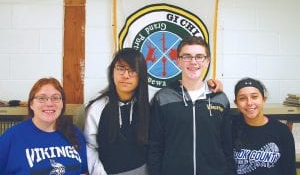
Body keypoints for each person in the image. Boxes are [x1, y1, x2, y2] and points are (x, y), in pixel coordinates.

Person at [84, 47, 223, 175]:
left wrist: (207, 85)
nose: (126, 75)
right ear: (112, 71)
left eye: (132, 70)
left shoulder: (153, 99)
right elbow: (90, 147)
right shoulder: (97, 107)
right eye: (120, 69)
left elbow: (180, 89)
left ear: (141, 75)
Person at [147, 36, 235, 175]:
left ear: (207, 61)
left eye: (199, 56)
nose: (193, 62)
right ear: (178, 61)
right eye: (187, 56)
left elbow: (227, 145)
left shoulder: (220, 99)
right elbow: (155, 146)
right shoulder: (163, 98)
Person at [0, 77, 88, 174]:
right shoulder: (12, 137)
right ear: (31, 104)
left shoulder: (74, 132)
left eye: (55, 98)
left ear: (62, 104)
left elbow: (84, 170)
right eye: (42, 98)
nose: (49, 103)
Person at [232, 77, 296, 175]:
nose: (249, 103)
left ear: (263, 100)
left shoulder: (281, 131)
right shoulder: (230, 128)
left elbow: (289, 170)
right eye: (242, 98)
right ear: (236, 104)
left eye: (254, 97)